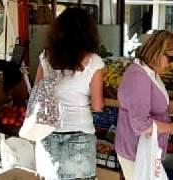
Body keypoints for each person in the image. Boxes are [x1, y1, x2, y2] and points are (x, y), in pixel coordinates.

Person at [115, 30, 173, 180]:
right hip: (136, 153)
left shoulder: (151, 72)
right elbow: (141, 124)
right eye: (171, 58)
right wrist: (171, 128)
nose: (172, 63)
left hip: (149, 151)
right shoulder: (138, 77)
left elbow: (161, 105)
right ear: (157, 51)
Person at [34, 8, 104, 180]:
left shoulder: (46, 56)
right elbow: (97, 105)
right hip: (80, 134)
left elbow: (37, 91)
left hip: (47, 132)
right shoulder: (94, 61)